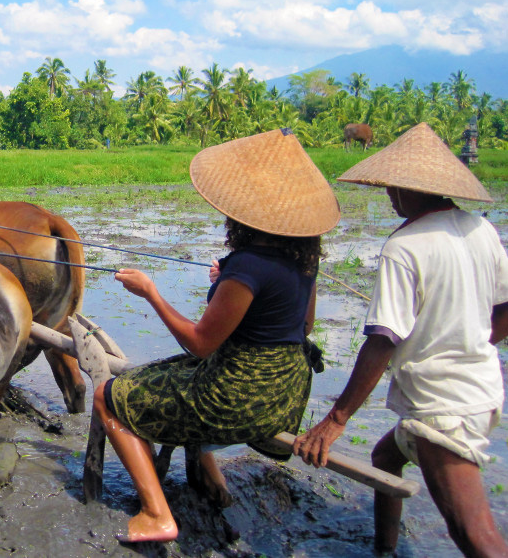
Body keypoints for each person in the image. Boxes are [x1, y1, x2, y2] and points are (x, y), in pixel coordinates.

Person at [94, 128, 341, 543]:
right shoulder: (302, 256)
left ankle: (157, 513)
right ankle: (212, 481)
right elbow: (303, 327)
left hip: (235, 398)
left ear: (243, 210)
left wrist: (151, 291)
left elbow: (200, 342)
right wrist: (224, 281)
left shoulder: (247, 265)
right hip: (284, 395)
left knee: (107, 395)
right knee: (177, 372)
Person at [292, 122, 508, 556]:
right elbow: (504, 309)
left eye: (393, 187)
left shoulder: (404, 245)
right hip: (483, 392)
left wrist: (336, 420)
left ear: (415, 189)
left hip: (442, 405)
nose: (389, 195)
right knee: (387, 457)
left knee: (473, 532)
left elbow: (382, 341)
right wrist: (472, 343)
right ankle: (385, 550)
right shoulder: (479, 228)